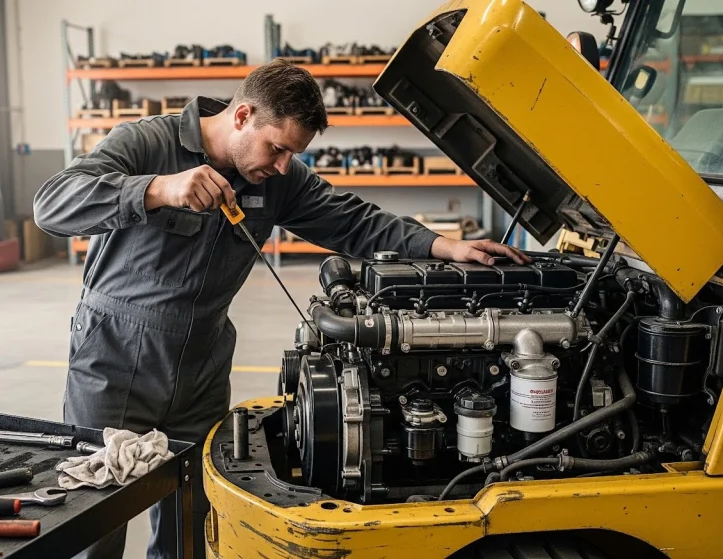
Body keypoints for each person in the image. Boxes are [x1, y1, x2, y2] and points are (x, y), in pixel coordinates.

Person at [33, 59, 529, 559]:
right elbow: (52, 205)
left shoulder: (276, 179)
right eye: (279, 148)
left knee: (192, 523)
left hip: (202, 362)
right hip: (115, 357)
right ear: (243, 115)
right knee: (97, 516)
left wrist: (443, 246)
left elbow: (354, 221)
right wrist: (159, 189)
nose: (284, 165)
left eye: (294, 154)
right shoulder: (146, 144)